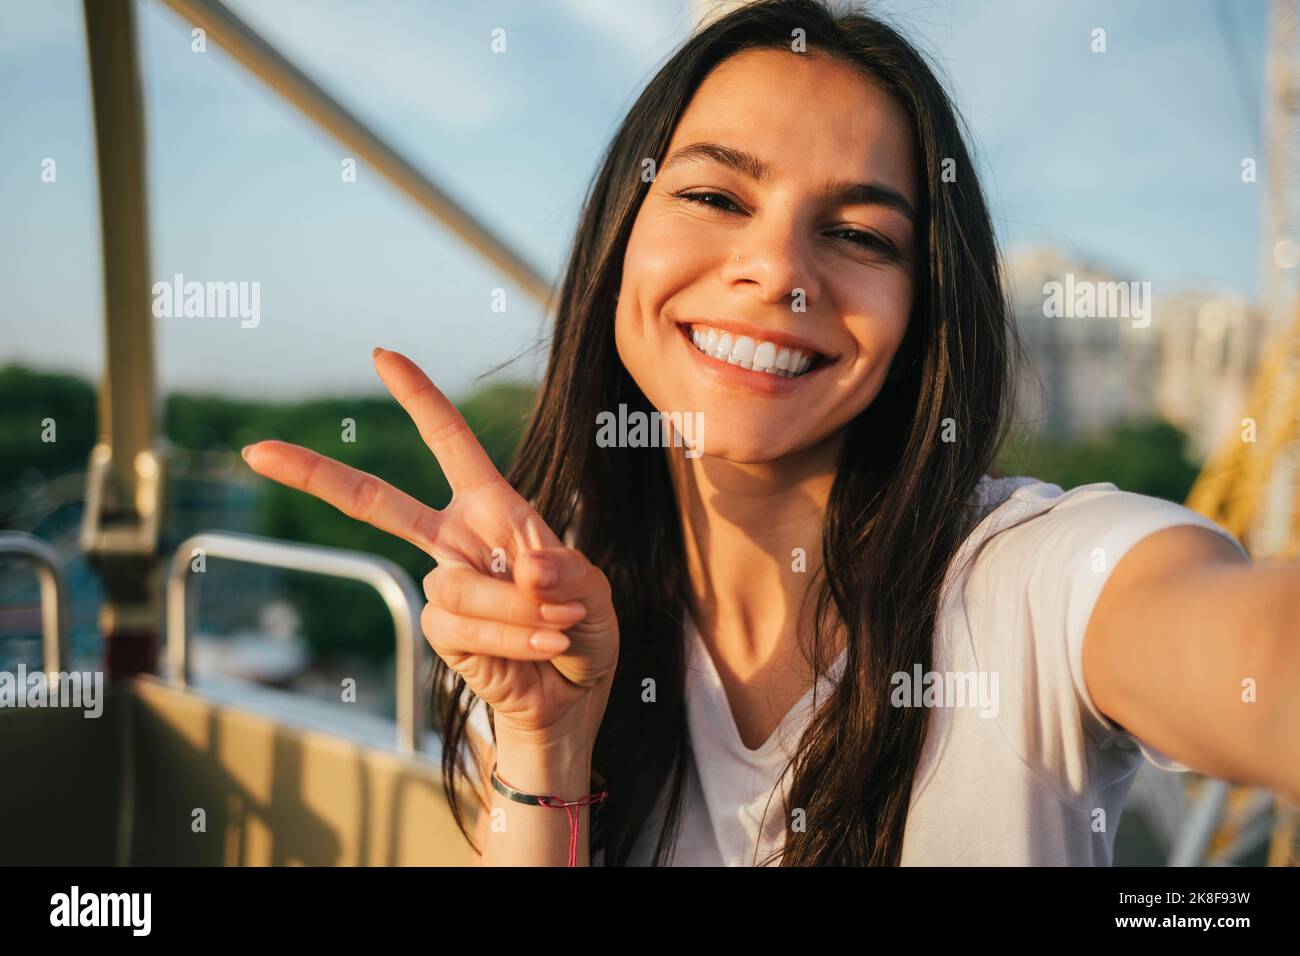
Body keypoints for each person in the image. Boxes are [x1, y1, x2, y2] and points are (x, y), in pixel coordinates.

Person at [241, 0, 1300, 866]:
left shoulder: (1029, 583)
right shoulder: (544, 603)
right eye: (712, 193)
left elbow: (1243, 645)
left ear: (923, 308)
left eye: (855, 233)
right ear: (619, 239)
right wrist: (543, 745)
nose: (779, 268)